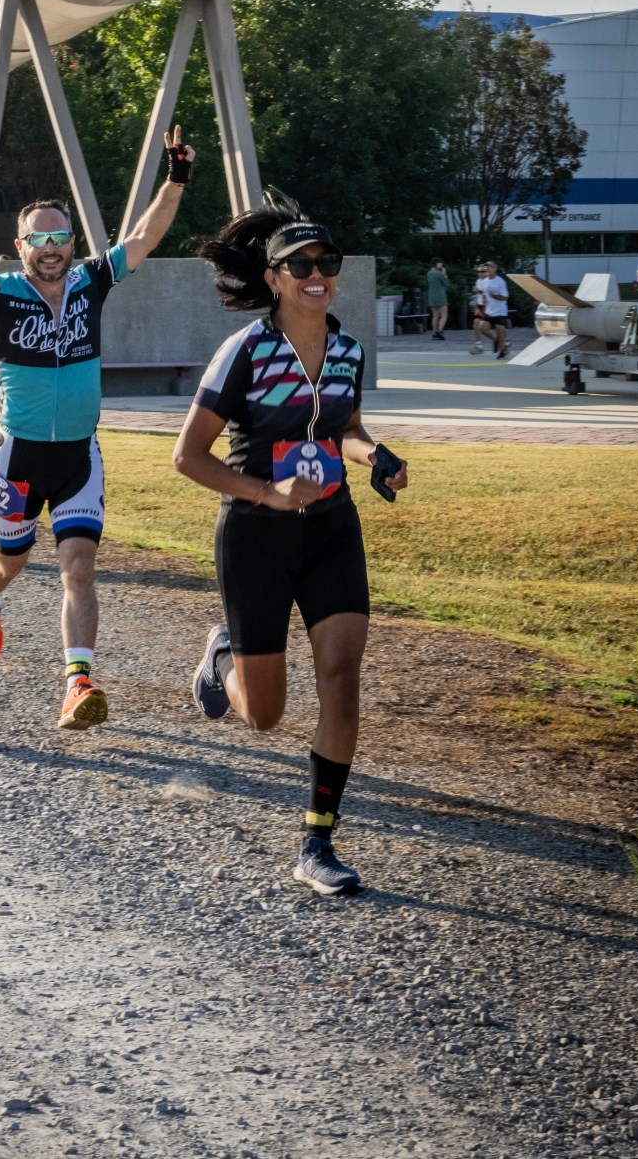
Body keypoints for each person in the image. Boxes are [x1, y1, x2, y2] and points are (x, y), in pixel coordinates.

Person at [0, 128, 196, 730]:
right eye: (41, 238)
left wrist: (176, 177)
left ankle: (77, 682)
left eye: (61, 237)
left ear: (72, 242)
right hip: (19, 457)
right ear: (21, 245)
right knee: (10, 559)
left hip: (80, 455)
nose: (53, 248)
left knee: (78, 568)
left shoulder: (92, 281)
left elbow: (144, 235)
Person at [174, 195, 407, 896]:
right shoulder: (244, 351)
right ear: (273, 277)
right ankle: (223, 656)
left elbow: (346, 427)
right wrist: (267, 493)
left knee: (341, 671)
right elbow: (188, 456)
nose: (316, 274)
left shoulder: (346, 348)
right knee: (264, 713)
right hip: (256, 535)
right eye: (299, 264)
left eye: (325, 262)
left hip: (332, 525)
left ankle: (317, 839)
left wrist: (376, 456)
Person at [476, 261, 511, 358]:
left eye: (490, 268)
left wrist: (494, 296)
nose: (487, 270)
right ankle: (495, 340)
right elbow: (483, 293)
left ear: (494, 269)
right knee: (482, 328)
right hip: (489, 310)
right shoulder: (485, 281)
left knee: (500, 331)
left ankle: (502, 351)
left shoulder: (500, 281)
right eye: (486, 268)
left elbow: (505, 297)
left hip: (499, 311)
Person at [425, 258, 450, 340]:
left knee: (435, 316)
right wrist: (444, 273)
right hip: (440, 296)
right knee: (444, 316)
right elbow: (446, 283)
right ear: (437, 264)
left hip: (432, 296)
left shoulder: (429, 273)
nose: (442, 265)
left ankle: (434, 332)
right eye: (440, 263)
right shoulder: (439, 273)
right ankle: (440, 330)